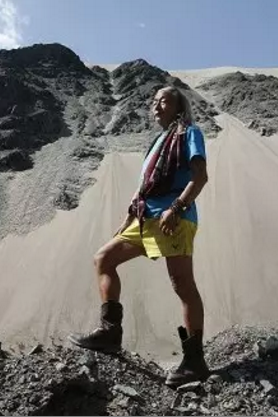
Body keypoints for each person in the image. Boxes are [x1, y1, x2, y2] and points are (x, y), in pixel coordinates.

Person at [68, 86, 210, 387]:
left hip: (173, 217)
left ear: (179, 107)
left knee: (182, 285)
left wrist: (177, 207)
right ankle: (110, 334)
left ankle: (195, 361)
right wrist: (127, 218)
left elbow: (200, 177)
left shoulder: (189, 132)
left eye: (165, 101)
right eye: (154, 100)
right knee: (104, 259)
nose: (157, 105)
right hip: (144, 217)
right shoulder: (158, 141)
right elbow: (144, 187)